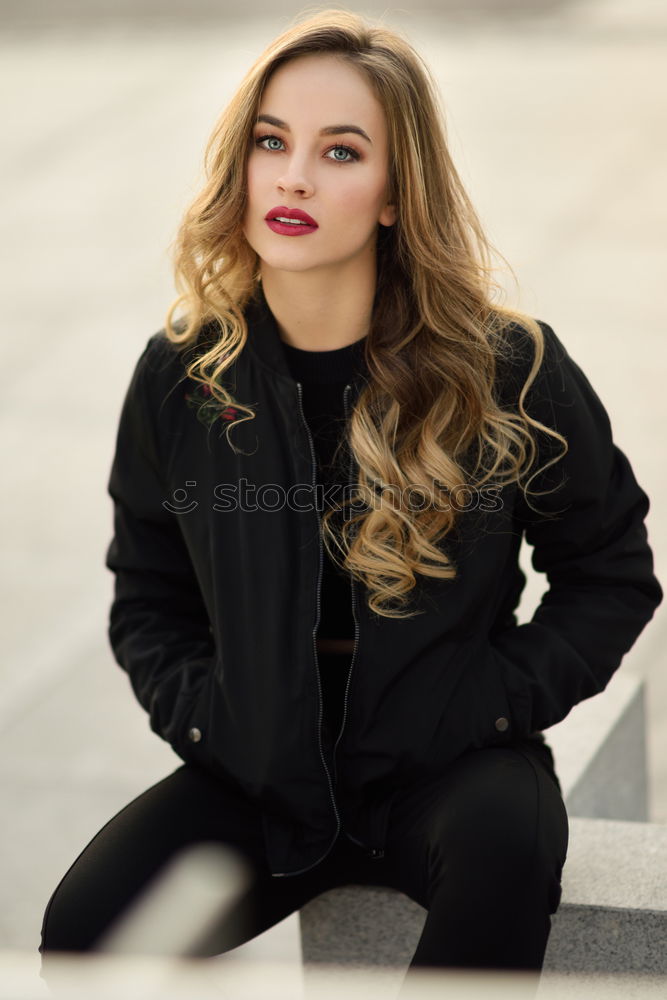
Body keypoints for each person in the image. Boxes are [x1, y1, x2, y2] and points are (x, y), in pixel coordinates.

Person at [39, 7, 662, 994]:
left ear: (390, 194)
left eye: (340, 151)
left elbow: (610, 572)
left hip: (450, 767)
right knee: (83, 931)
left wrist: (490, 702)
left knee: (502, 861)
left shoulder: (506, 367)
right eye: (271, 142)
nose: (293, 177)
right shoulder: (183, 377)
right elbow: (147, 596)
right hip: (261, 775)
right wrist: (219, 722)